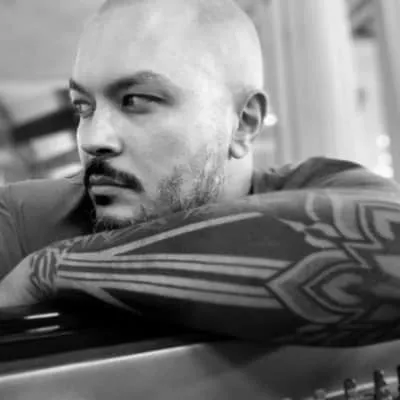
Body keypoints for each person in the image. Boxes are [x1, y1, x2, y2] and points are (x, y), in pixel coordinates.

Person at [1, 0, 400, 345]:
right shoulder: (22, 218)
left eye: (135, 100)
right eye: (83, 107)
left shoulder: (316, 187)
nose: (92, 138)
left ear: (243, 123)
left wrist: (51, 269)